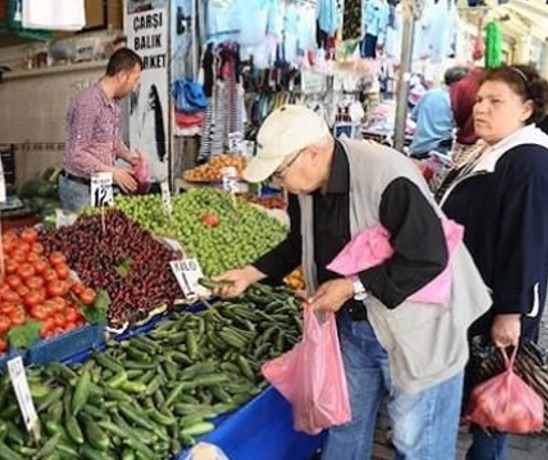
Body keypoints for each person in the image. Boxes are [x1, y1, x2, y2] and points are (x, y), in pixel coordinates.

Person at [214, 105, 491, 460]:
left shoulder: (387, 175)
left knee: (416, 441)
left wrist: (351, 286)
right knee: (344, 428)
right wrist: (249, 274)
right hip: (353, 326)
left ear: (312, 153)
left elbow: (428, 258)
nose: (278, 183)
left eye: (280, 173)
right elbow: (300, 242)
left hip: (415, 329)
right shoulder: (306, 185)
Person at [435, 64, 548, 460]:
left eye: (496, 101)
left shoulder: (529, 161)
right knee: (482, 396)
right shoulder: (492, 150)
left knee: (495, 401)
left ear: (527, 108)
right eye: (480, 100)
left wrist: (510, 313)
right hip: (470, 298)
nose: (481, 108)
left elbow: (527, 242)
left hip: (496, 307)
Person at [60, 48, 143, 212]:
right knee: (86, 235)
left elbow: (113, 141)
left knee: (104, 232)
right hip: (80, 189)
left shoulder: (113, 104)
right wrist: (114, 172)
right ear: (121, 76)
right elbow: (76, 154)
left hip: (100, 185)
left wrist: (130, 157)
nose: (136, 87)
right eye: (135, 80)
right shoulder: (88, 102)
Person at [409, 66, 468, 159]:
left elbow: (414, 117)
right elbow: (459, 126)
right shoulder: (454, 100)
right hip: (438, 151)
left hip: (417, 148)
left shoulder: (428, 94)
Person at [450, 67, 484, 159]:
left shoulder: (460, 87)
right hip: (481, 145)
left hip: (462, 142)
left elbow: (457, 113)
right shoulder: (486, 85)